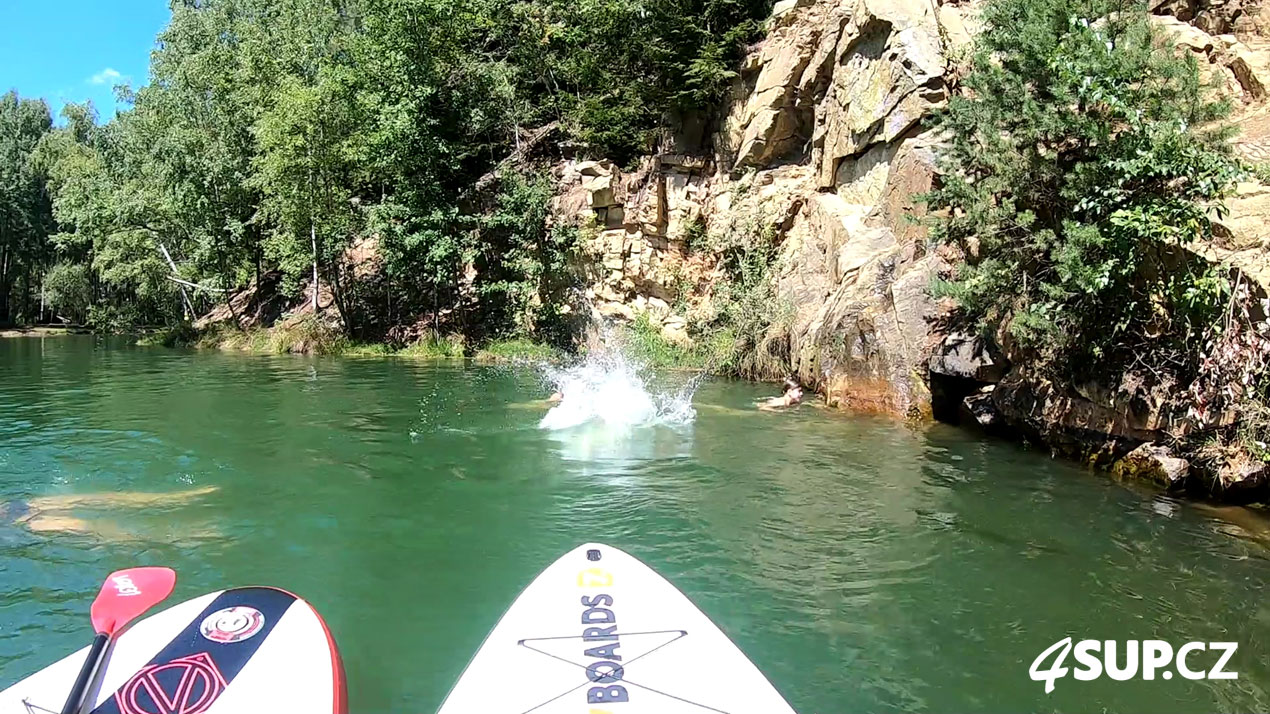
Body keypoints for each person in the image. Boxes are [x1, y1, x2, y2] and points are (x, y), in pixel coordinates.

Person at [1, 485, 219, 538]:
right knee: (82, 526)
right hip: (14, 524)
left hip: (12, 507)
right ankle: (180, 536)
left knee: (96, 499)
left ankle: (174, 498)